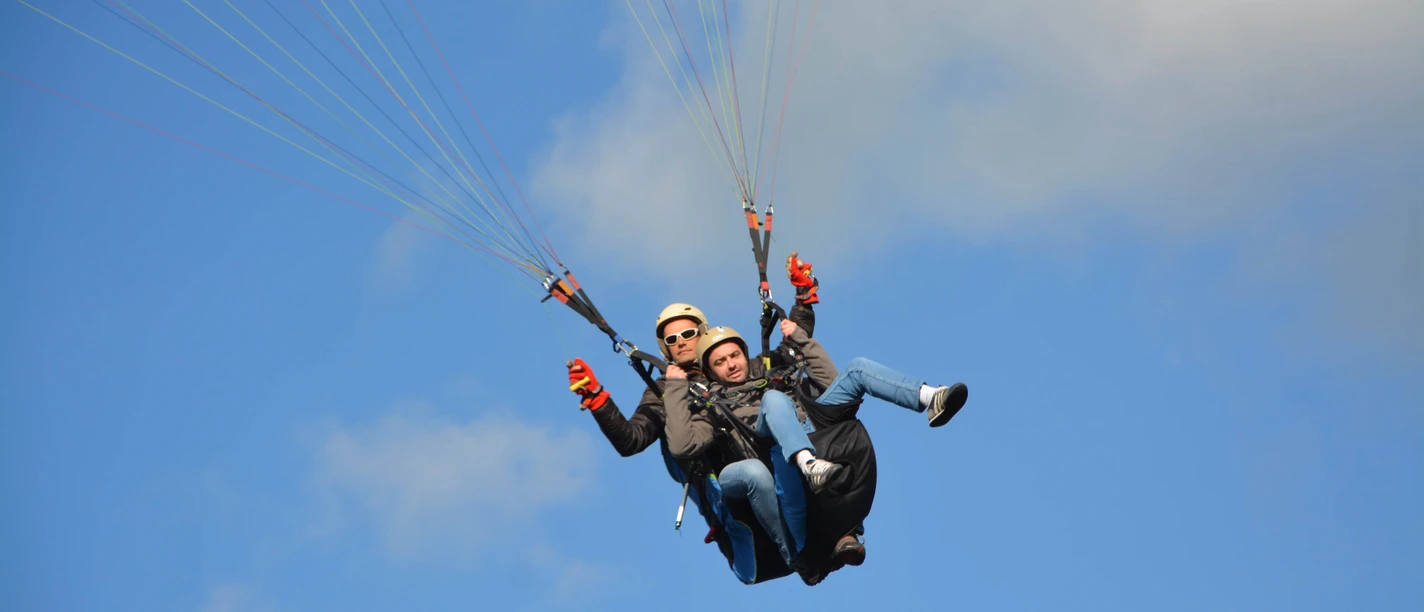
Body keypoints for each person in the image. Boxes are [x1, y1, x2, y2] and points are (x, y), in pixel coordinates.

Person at [662, 317, 969, 571]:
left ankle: (931, 397)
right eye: (720, 362)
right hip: (781, 483)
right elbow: (680, 446)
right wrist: (675, 388)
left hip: (818, 457)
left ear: (744, 354)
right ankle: (809, 465)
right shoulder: (712, 412)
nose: (731, 365)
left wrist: (801, 339)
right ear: (710, 370)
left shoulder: (771, 382)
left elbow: (830, 380)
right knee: (772, 406)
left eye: (734, 356)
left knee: (857, 368)